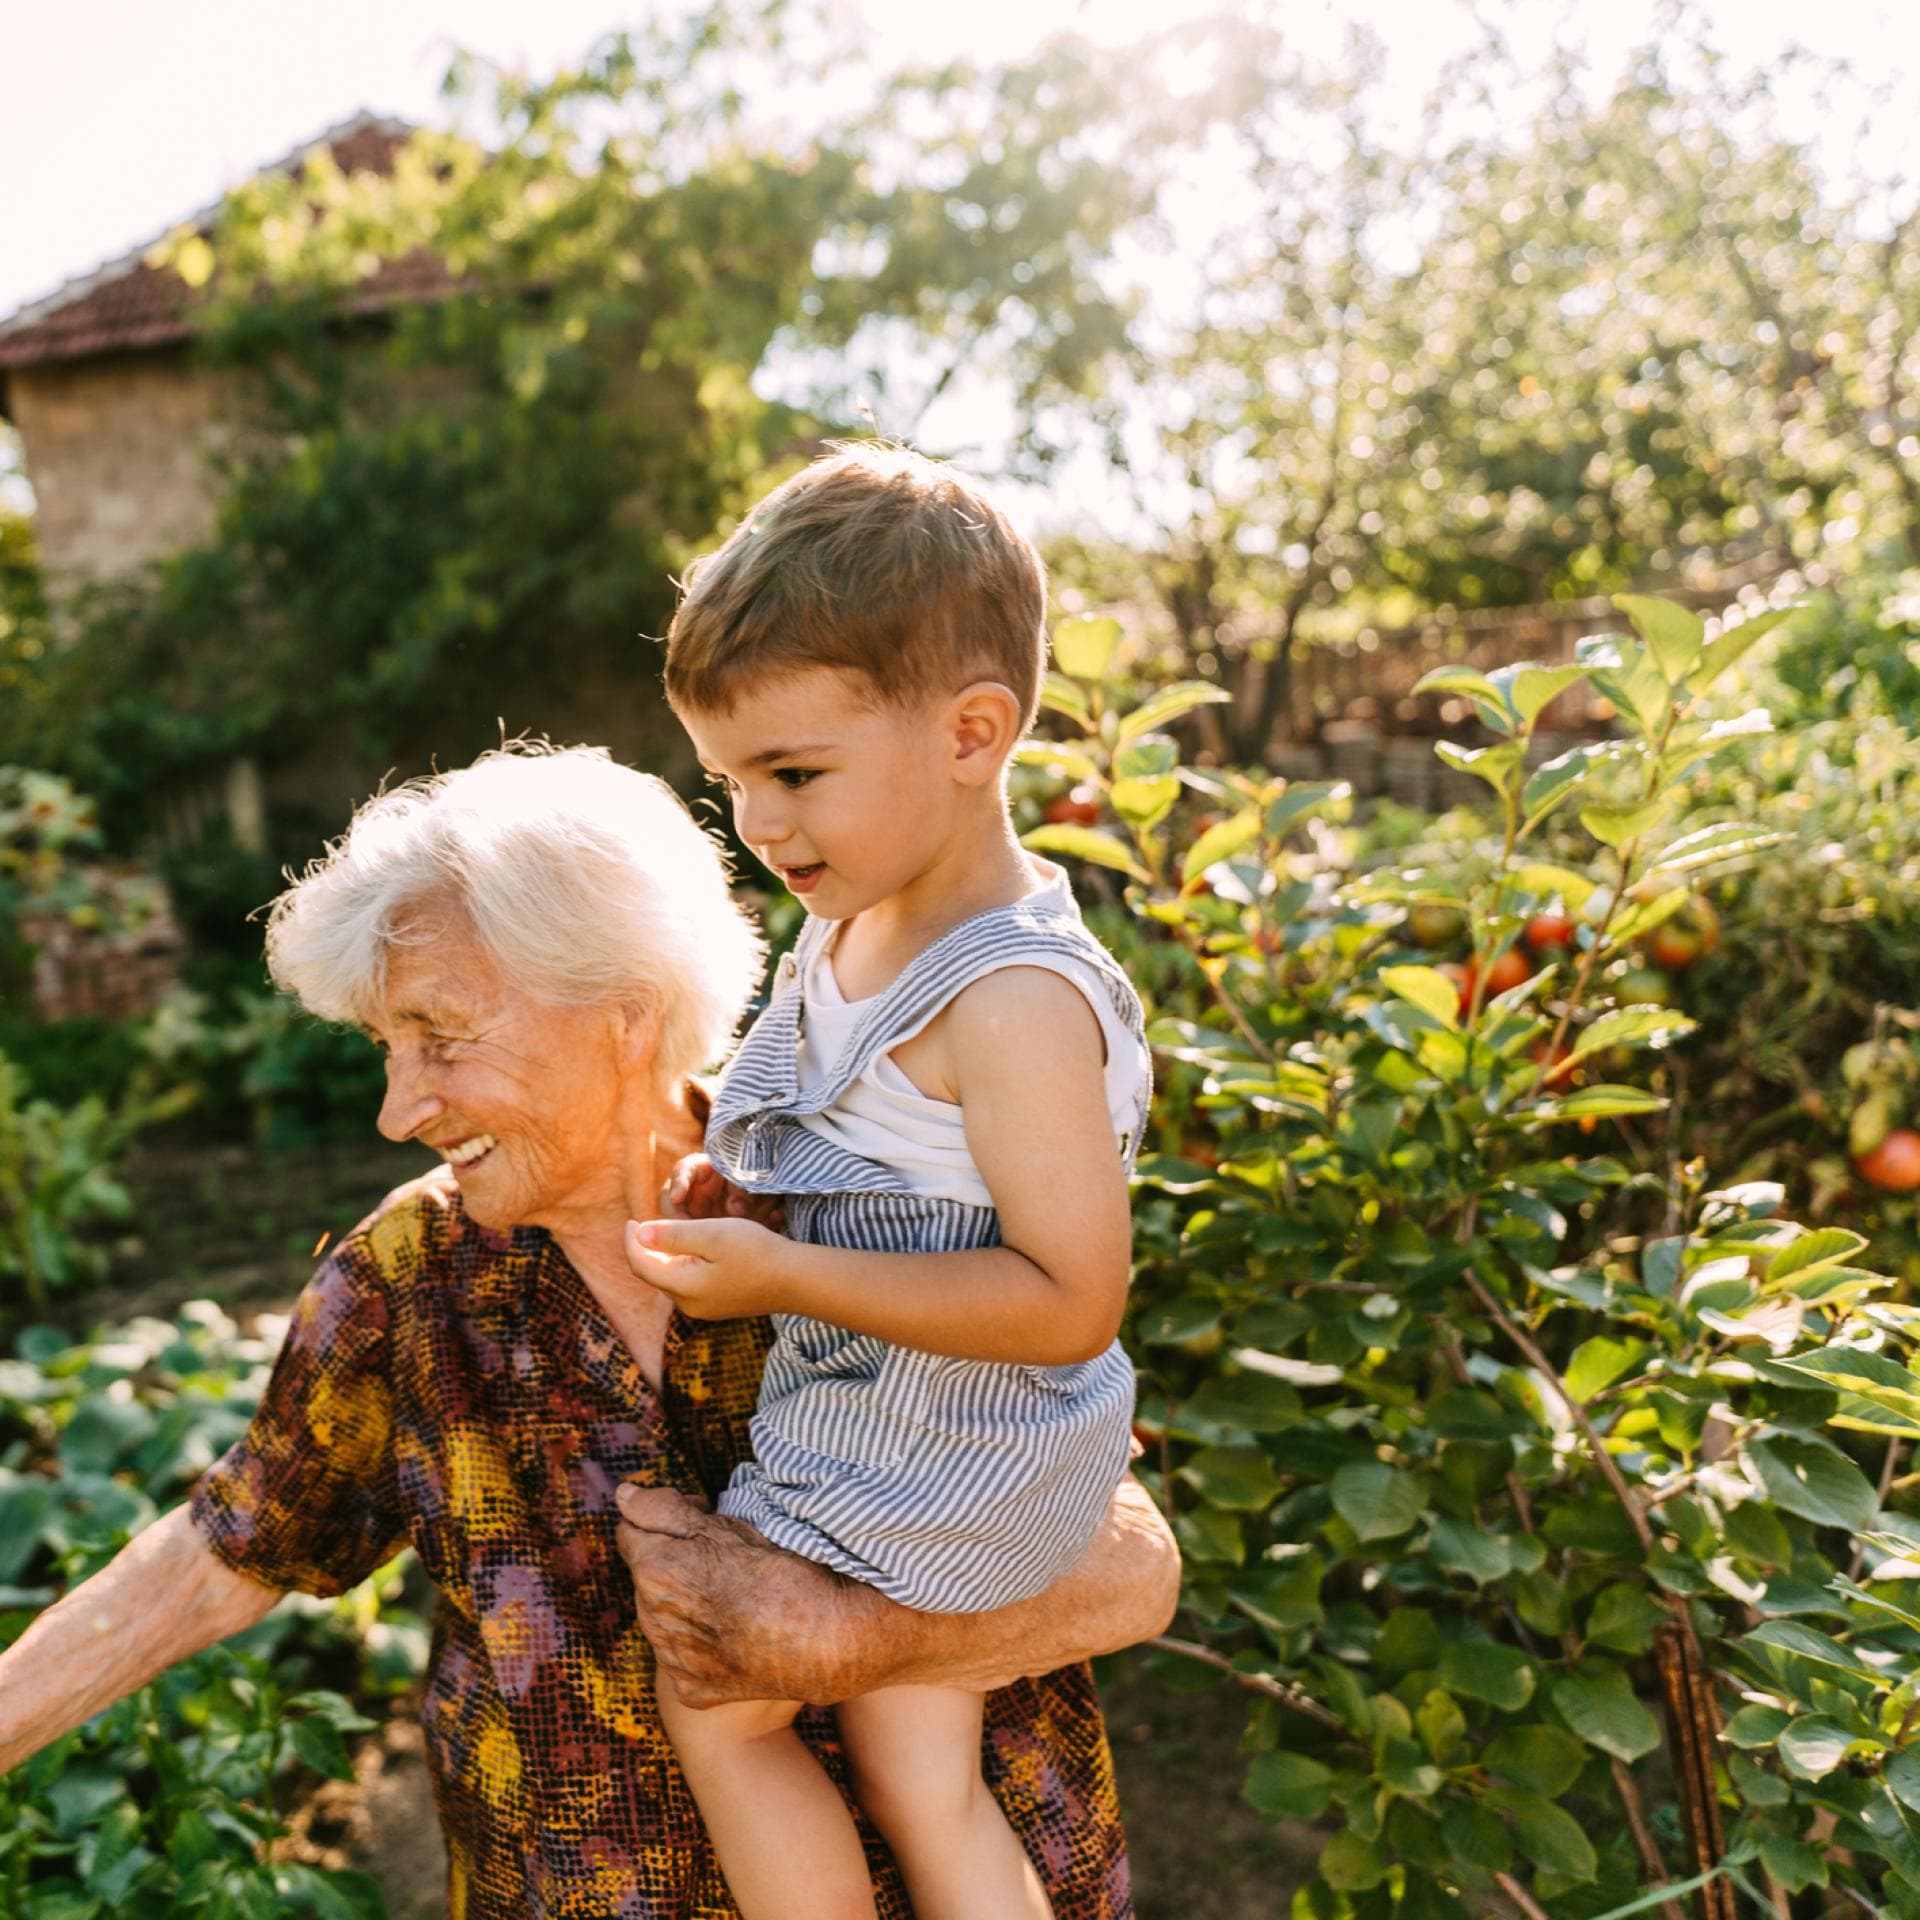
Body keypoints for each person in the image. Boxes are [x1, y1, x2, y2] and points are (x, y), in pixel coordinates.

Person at [0, 744, 1181, 1920]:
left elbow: (1132, 1572)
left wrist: (853, 1636)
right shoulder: (410, 1282)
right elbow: (220, 1557)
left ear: (625, 1009)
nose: (398, 1109)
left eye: (441, 1035)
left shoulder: (851, 1205)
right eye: (384, 1047)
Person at [624, 446, 1148, 1920]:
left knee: (716, 1702)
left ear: (974, 733)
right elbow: (857, 1133)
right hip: (914, 1424)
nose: (759, 824)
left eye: (795, 774)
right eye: (731, 782)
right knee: (921, 1771)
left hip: (951, 1443)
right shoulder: (855, 921)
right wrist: (749, 1192)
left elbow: (1071, 1300)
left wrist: (786, 1275)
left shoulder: (1011, 999)